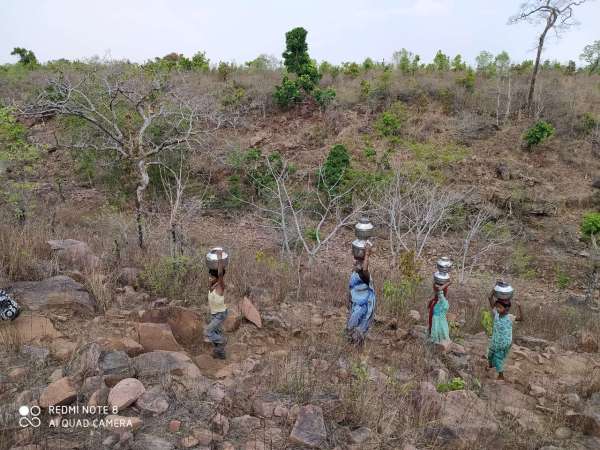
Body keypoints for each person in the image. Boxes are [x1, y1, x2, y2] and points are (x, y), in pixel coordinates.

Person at [487, 287, 523, 380]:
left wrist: (519, 307)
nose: (497, 308)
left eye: (500, 307)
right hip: (495, 341)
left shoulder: (510, 317)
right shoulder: (496, 314)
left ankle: (501, 375)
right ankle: (491, 366)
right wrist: (495, 287)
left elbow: (521, 319)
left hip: (504, 343)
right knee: (490, 354)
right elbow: (489, 298)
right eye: (497, 306)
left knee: (497, 358)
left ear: (506, 309)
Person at [346, 244, 376, 346]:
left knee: (358, 328)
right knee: (352, 325)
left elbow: (365, 269)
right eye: (356, 262)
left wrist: (367, 253)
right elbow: (351, 290)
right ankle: (351, 345)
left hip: (363, 307)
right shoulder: (355, 273)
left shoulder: (364, 275)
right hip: (355, 305)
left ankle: (356, 346)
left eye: (359, 263)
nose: (355, 263)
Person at [205, 250, 228, 359]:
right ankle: (221, 354)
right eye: (209, 276)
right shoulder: (212, 286)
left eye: (211, 276)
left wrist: (219, 260)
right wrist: (210, 282)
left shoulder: (220, 286)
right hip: (214, 314)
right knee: (216, 333)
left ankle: (223, 341)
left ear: (217, 278)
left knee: (208, 332)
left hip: (220, 314)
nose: (209, 278)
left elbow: (219, 274)